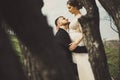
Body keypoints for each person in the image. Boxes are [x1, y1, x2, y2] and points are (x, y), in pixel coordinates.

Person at [66, 0, 95, 80]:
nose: (69, 10)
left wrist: (76, 43)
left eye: (70, 8)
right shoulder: (74, 17)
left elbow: (84, 32)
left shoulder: (80, 17)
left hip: (79, 44)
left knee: (84, 63)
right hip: (75, 44)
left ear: (75, 7)